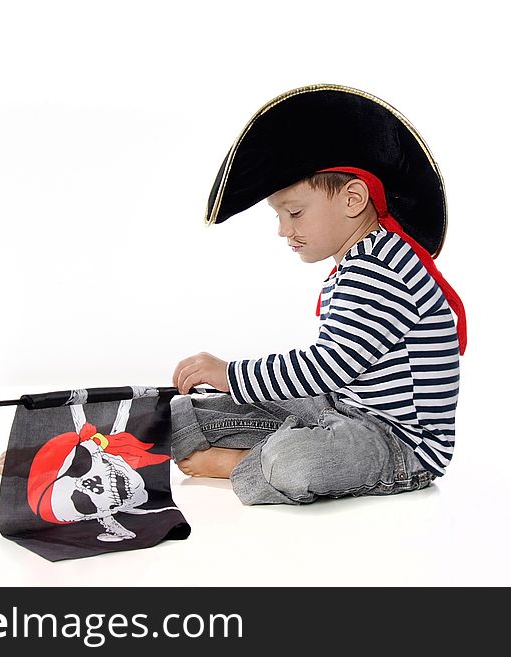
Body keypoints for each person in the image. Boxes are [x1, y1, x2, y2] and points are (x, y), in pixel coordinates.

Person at [168, 83, 467, 505]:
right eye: (279, 215)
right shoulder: (357, 261)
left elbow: (327, 366)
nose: (284, 230)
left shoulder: (384, 270)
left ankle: (244, 463)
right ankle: (184, 426)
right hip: (341, 407)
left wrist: (230, 373)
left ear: (353, 199)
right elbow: (329, 381)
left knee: (293, 462)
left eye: (294, 213)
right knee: (202, 411)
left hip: (399, 443)